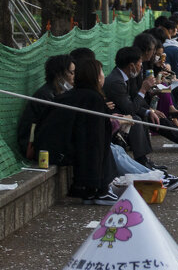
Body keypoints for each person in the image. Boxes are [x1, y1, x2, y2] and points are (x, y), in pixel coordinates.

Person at [37, 57, 119, 205]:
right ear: (94, 76)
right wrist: (96, 185)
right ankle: (97, 191)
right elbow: (94, 143)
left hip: (52, 148)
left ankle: (94, 188)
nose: (103, 76)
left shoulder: (77, 95)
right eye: (101, 72)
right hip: (58, 152)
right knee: (100, 144)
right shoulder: (92, 98)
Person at [17, 53, 74, 158]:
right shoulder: (45, 96)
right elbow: (53, 128)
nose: (75, 76)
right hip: (34, 147)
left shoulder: (60, 92)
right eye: (72, 72)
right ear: (59, 74)